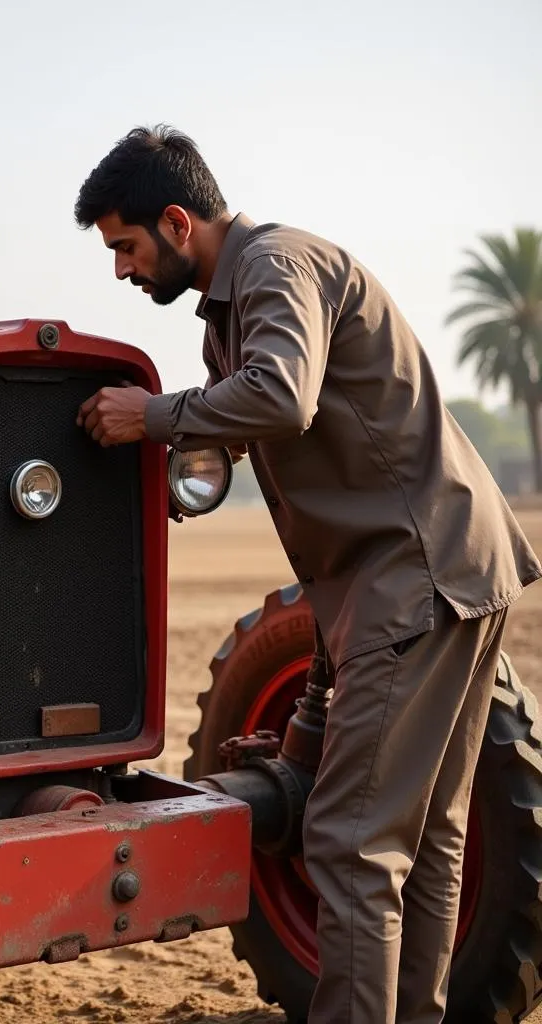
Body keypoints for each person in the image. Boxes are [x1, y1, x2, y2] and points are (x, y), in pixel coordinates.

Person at [72, 124, 542, 1024]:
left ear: (177, 222)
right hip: (452, 565)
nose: (123, 271)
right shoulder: (233, 308)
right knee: (431, 837)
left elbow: (281, 396)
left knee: (352, 845)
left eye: (126, 247)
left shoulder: (276, 266)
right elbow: (241, 422)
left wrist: (151, 414)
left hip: (411, 577)